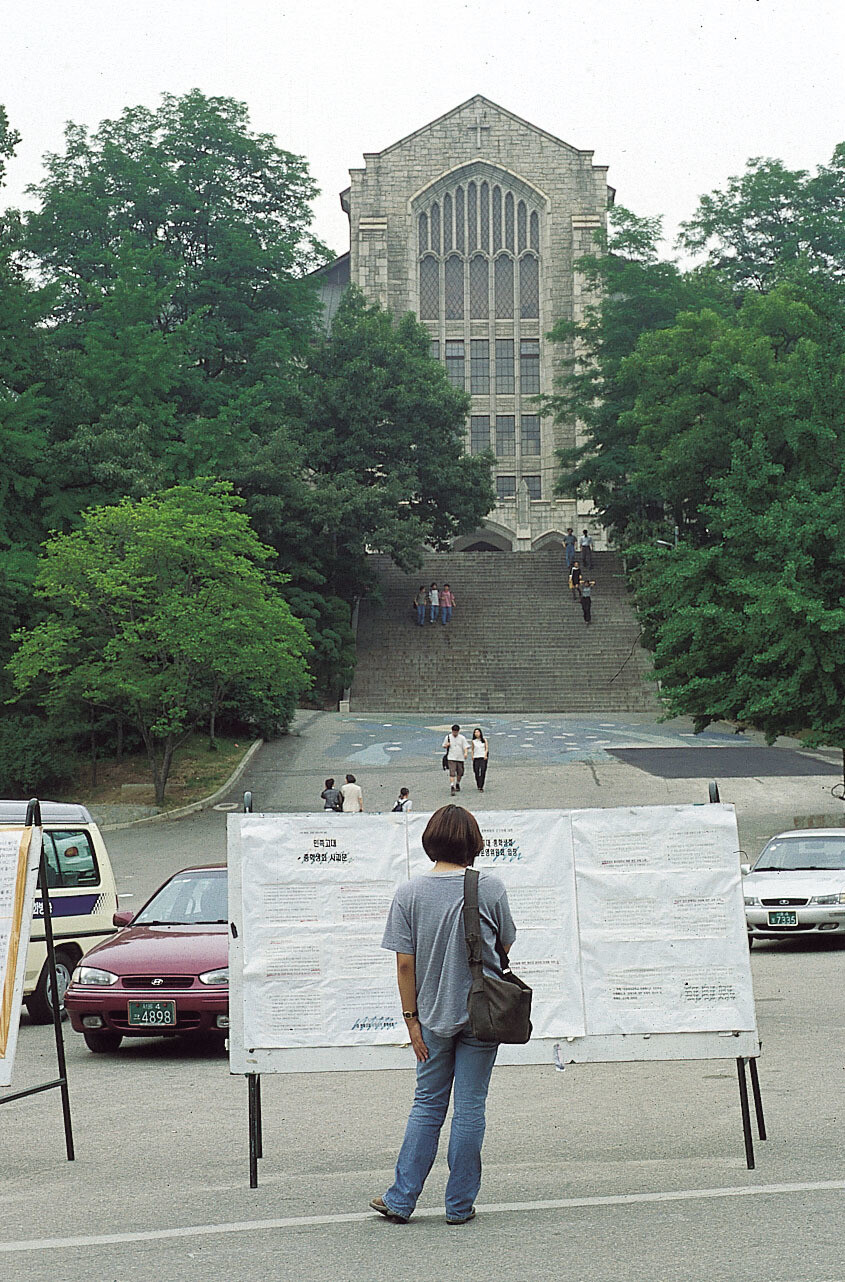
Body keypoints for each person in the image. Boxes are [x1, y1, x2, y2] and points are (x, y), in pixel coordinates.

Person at [369, 805, 516, 1226]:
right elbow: (505, 946)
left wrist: (411, 1019)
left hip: (430, 1017)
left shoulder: (409, 893)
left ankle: (401, 1199)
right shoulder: (490, 888)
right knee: (470, 1107)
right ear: (473, 842)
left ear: (431, 839)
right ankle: (459, 1206)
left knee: (427, 1105)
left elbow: (403, 964)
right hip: (480, 1014)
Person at [441, 724, 469, 796]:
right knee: (452, 772)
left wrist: (465, 753)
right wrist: (446, 745)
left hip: (460, 757)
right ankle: (452, 785)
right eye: (453, 732)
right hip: (451, 757)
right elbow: (443, 745)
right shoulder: (448, 737)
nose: (455, 733)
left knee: (460, 772)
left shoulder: (462, 738)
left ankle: (457, 783)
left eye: (456, 732)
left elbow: (465, 746)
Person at [470, 728, 489, 792]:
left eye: (478, 732)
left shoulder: (484, 740)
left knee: (483, 770)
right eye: (475, 732)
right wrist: (472, 756)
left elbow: (486, 748)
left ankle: (481, 786)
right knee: (476, 771)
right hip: (476, 757)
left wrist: (485, 755)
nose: (476, 733)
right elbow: (472, 749)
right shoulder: (473, 741)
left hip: (482, 757)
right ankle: (478, 783)